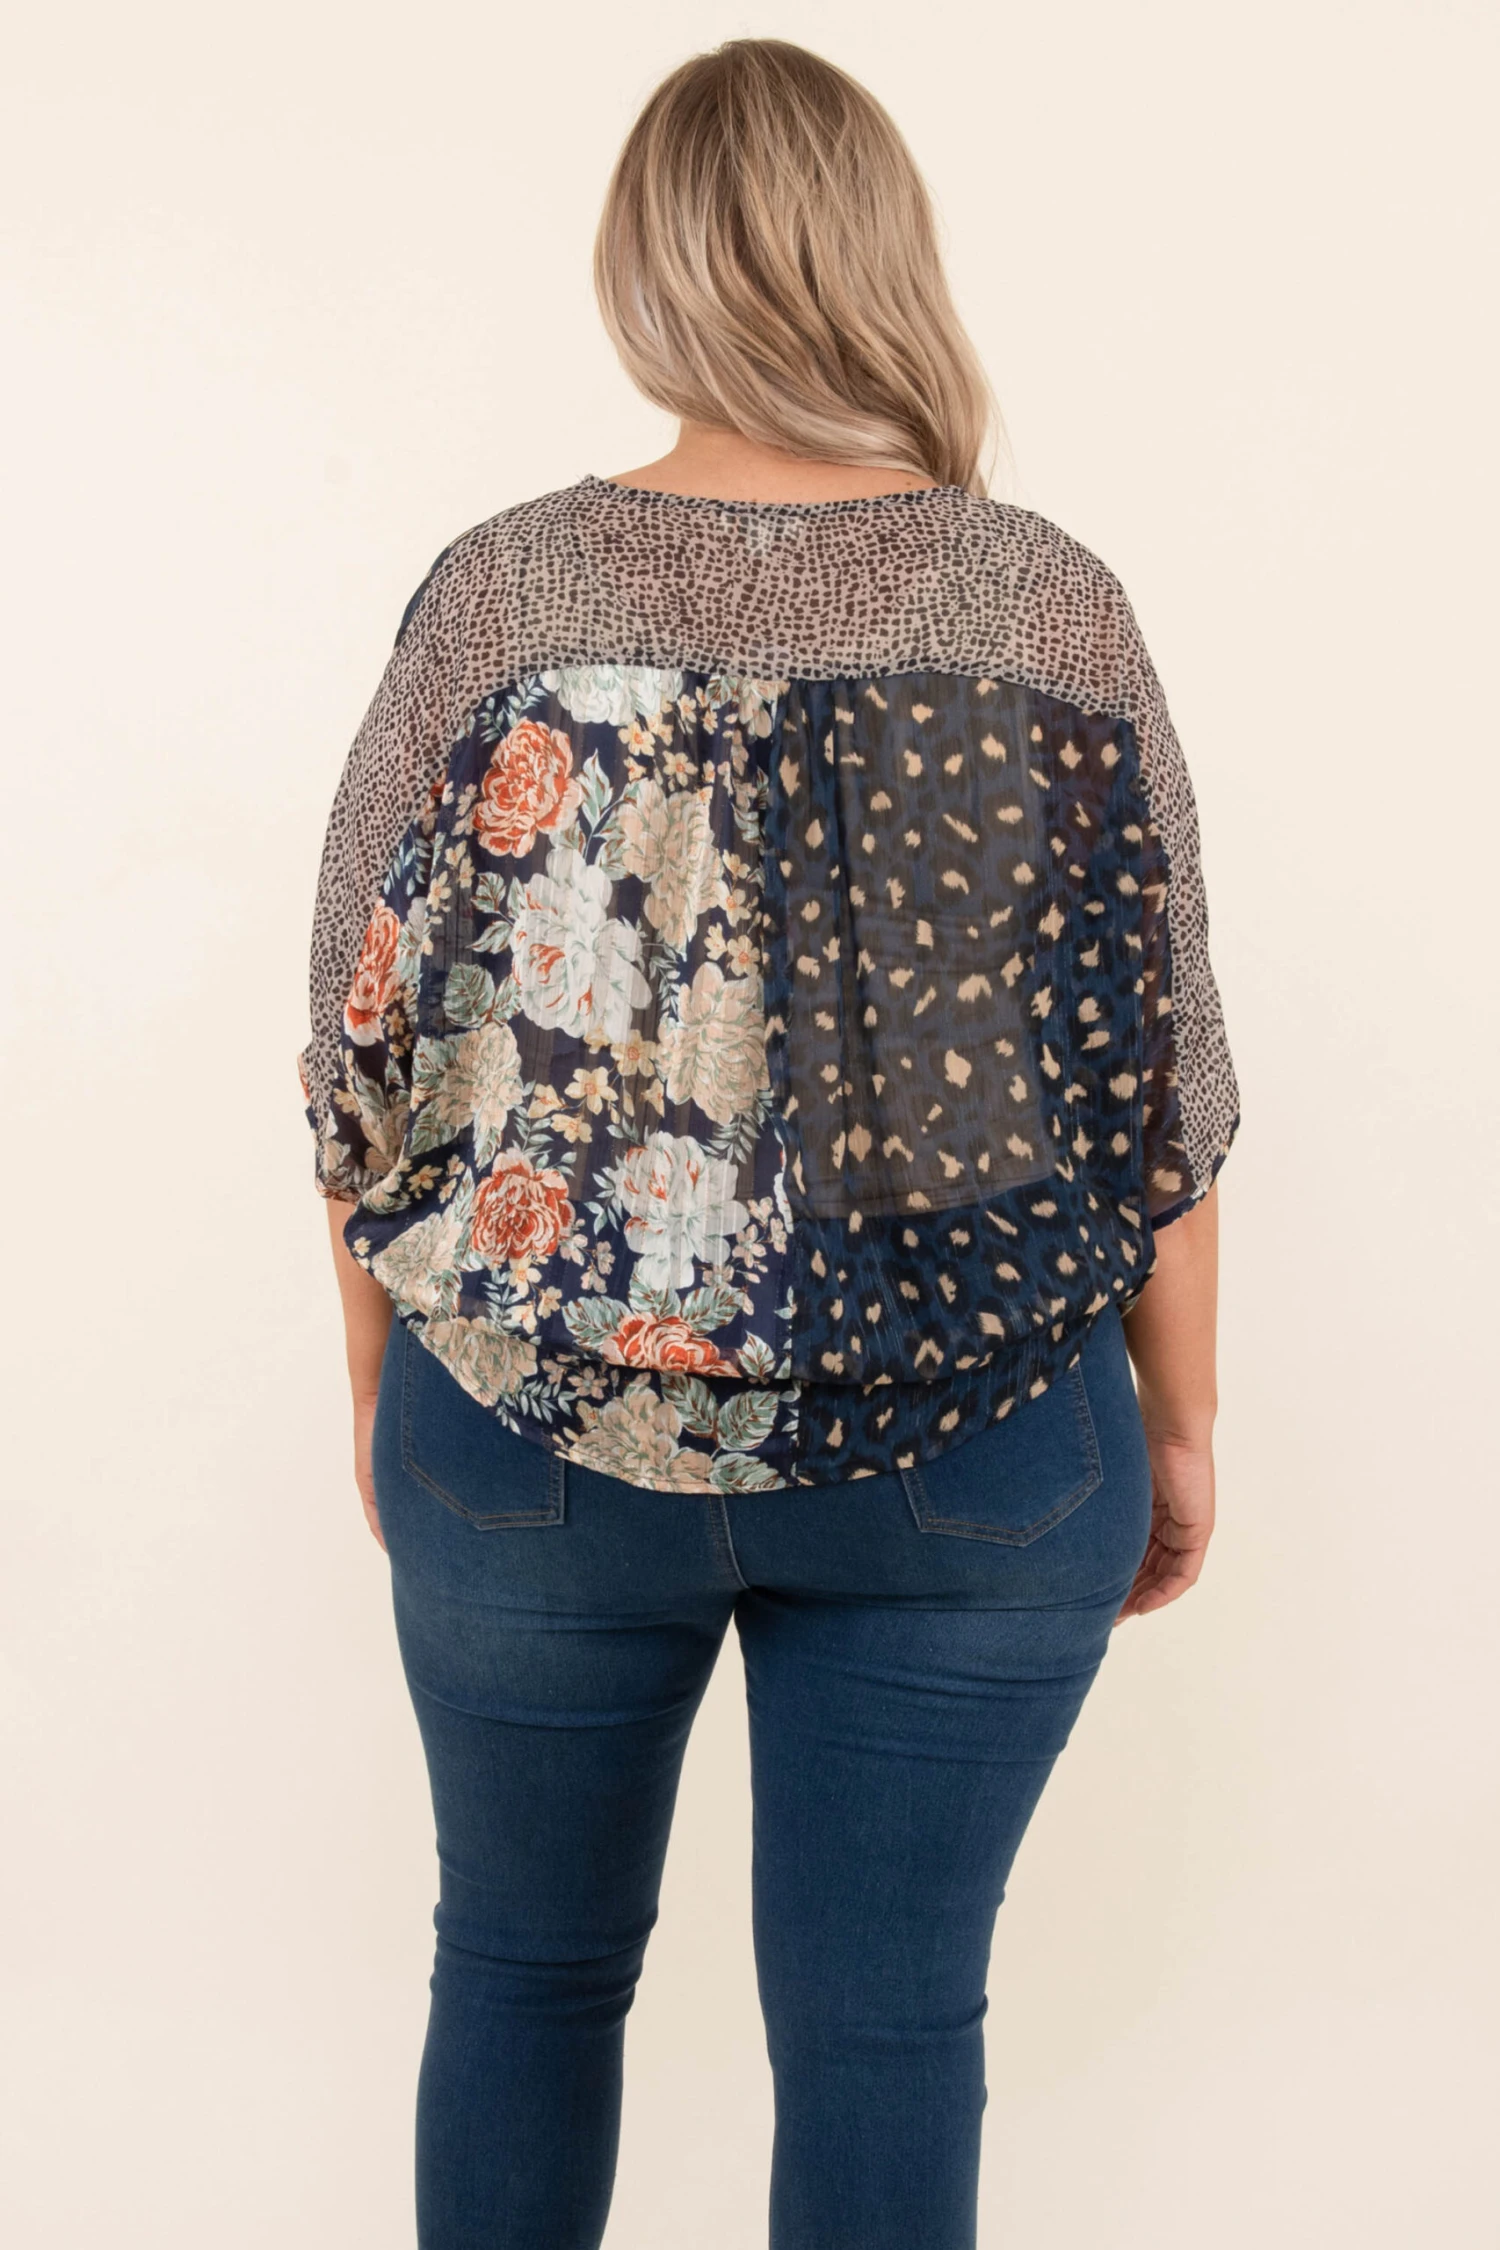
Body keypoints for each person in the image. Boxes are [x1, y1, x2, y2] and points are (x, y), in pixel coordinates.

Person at [300, 36, 1237, 2250]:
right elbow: (1158, 1078)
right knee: (891, 2030)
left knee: (520, 1975)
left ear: (646, 267)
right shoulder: (1043, 606)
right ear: (885, 255)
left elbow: (358, 1037)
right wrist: (1184, 1426)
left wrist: (383, 1384)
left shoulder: (506, 596)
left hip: (527, 1430)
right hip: (981, 1443)